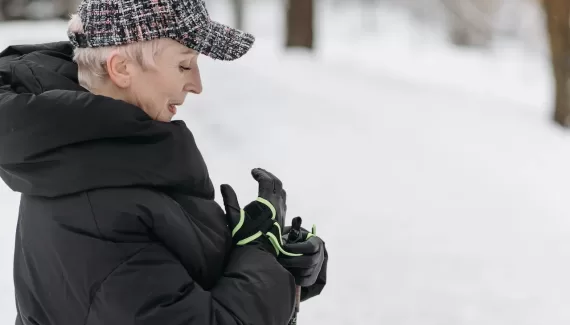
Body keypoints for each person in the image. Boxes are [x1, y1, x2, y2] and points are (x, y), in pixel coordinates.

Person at [0, 0, 328, 324]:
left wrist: (269, 259)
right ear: (122, 69)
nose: (197, 85)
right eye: (184, 65)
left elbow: (180, 286)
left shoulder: (106, 160)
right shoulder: (97, 204)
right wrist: (262, 259)